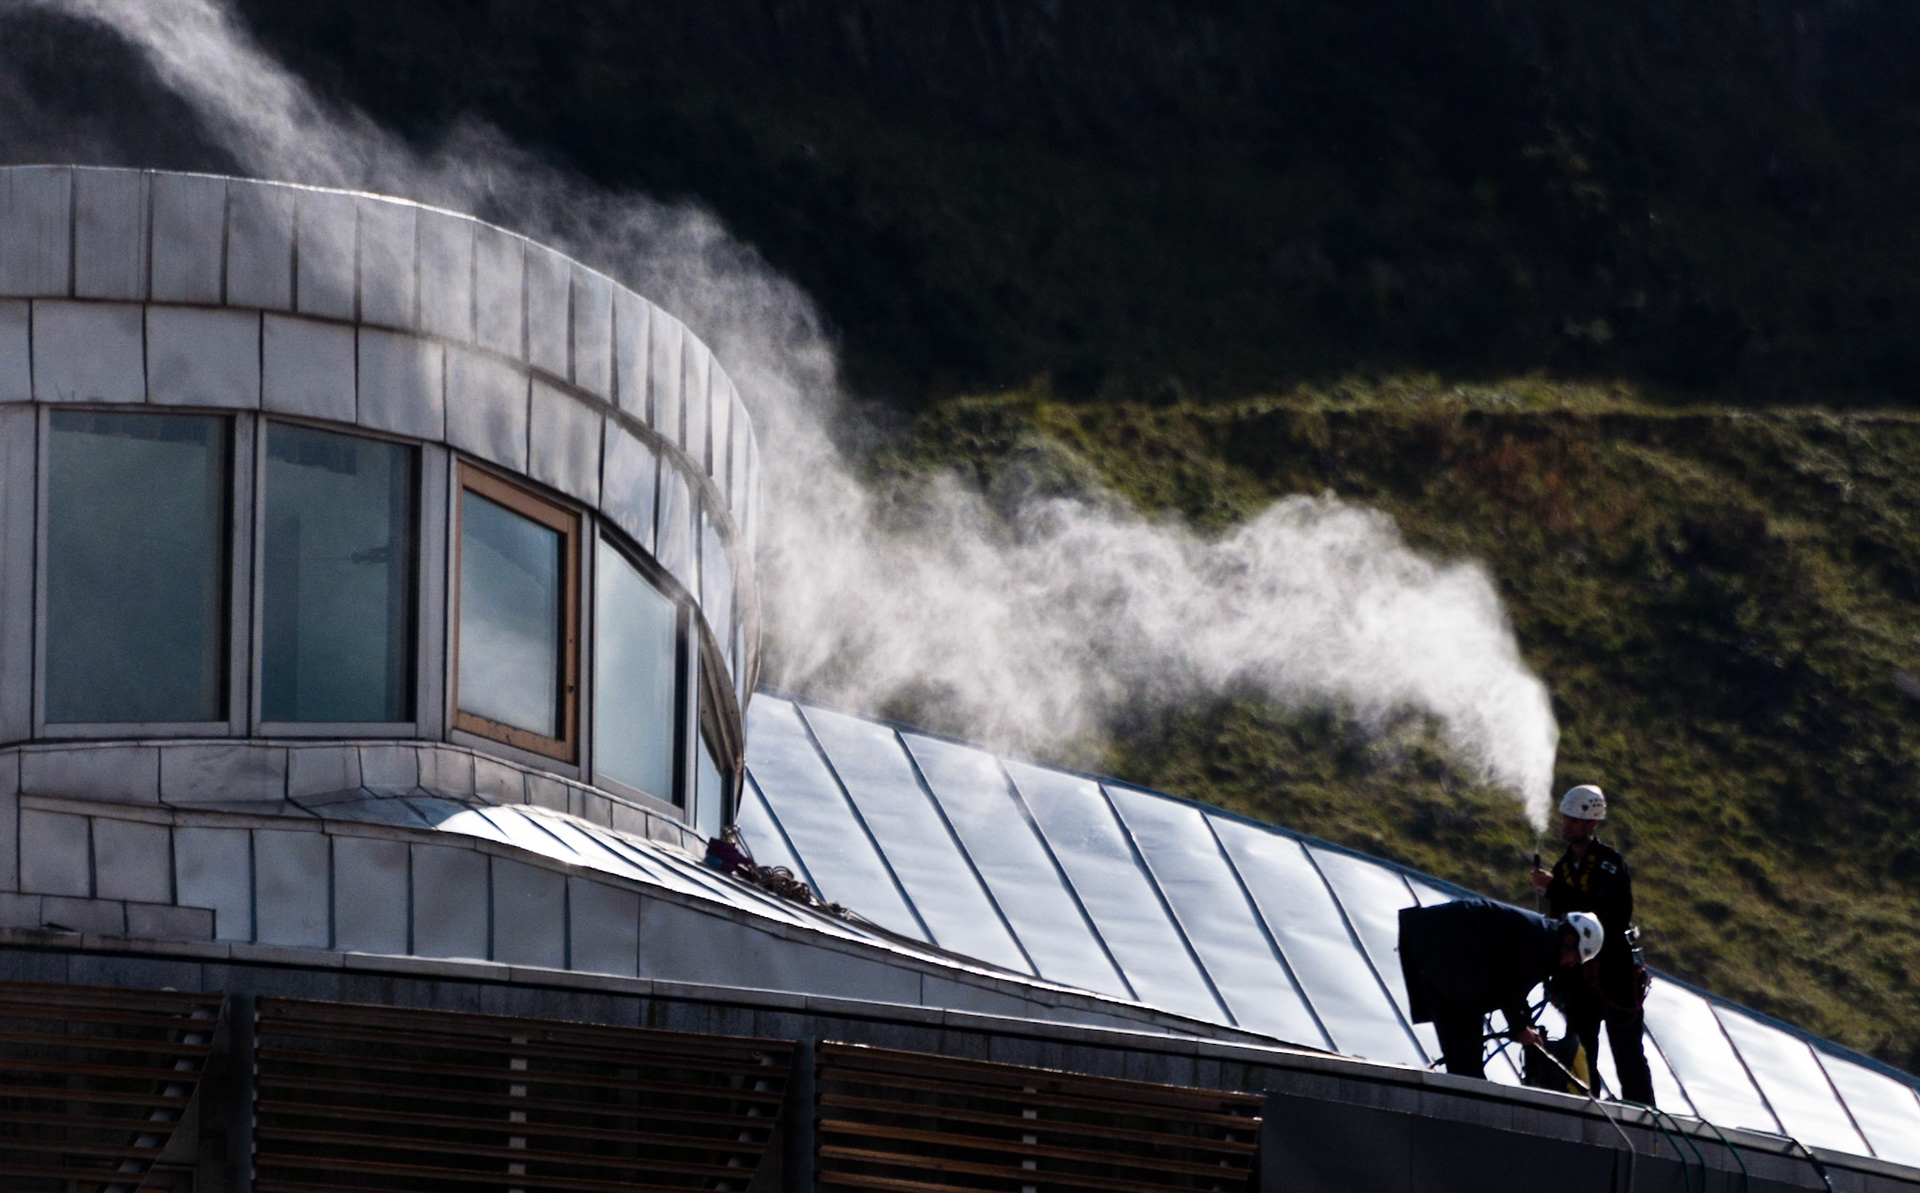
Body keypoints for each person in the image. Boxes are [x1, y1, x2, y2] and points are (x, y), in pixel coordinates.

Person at [1530, 783, 1656, 1105]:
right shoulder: (1561, 868)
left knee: (1627, 1052)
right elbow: (1560, 924)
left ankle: (1643, 1113)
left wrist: (1554, 889)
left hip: (1615, 971)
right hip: (1577, 977)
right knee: (1582, 1048)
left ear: (1591, 823)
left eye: (1573, 819)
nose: (1567, 824)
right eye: (1566, 818)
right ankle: (1586, 1108)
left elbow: (1599, 912)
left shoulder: (1609, 864)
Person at [1398, 896, 1603, 1079]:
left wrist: (1523, 1026)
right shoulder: (1541, 943)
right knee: (1465, 1058)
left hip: (1447, 956)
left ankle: (1466, 1090)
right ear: (1569, 940)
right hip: (1446, 951)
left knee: (1466, 1055)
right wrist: (1520, 1029)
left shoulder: (1544, 938)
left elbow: (1515, 987)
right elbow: (1509, 989)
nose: (1574, 963)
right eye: (1577, 956)